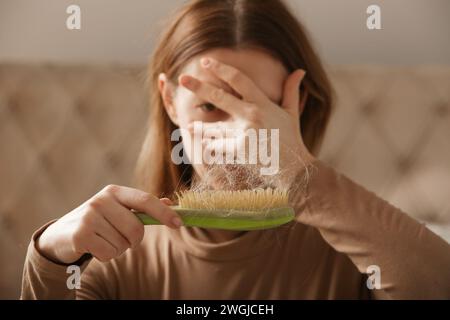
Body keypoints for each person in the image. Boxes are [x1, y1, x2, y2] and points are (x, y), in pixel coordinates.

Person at [21, 0, 450, 299]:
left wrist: (305, 180)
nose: (237, 139)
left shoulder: (357, 253)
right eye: (210, 106)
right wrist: (50, 254)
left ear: (296, 105)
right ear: (170, 101)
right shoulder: (114, 256)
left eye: (260, 110)